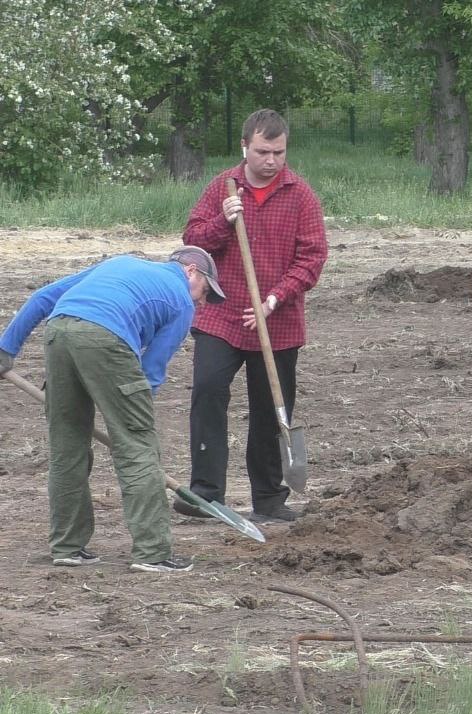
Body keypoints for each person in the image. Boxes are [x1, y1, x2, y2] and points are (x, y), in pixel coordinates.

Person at [0, 247, 227, 572]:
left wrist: (6, 348)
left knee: (67, 445)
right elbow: (151, 371)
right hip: (107, 338)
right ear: (192, 271)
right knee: (137, 447)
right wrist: (133, 420)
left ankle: (67, 546)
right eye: (205, 292)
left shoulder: (120, 263)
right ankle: (152, 553)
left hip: (59, 332)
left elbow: (44, 297)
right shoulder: (180, 301)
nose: (202, 302)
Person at [179, 108, 328, 524]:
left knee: (270, 408)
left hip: (277, 323)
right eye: (263, 151)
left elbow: (313, 257)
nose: (272, 160)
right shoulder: (222, 189)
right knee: (207, 392)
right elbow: (192, 242)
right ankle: (205, 494)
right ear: (245, 146)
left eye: (279, 152)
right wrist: (224, 222)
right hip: (221, 316)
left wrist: (275, 299)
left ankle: (268, 498)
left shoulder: (301, 195)